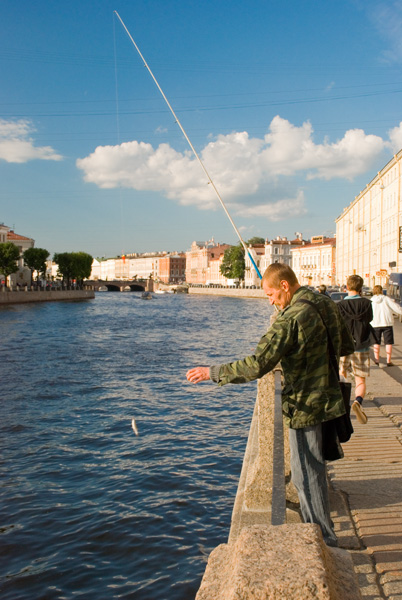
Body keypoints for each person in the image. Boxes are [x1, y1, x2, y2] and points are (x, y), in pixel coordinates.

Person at [186, 263, 354, 547]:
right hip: (328, 395)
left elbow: (257, 364)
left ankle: (324, 541)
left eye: (272, 294)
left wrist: (211, 372)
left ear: (285, 286)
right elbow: (346, 345)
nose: (270, 300)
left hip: (304, 402)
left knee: (306, 473)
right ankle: (322, 534)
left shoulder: (290, 318)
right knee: (313, 467)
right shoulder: (324, 302)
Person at [337, 275, 375, 425]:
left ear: (346, 287)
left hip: (345, 346)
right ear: (361, 288)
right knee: (360, 378)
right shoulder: (366, 303)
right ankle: (358, 402)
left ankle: (342, 405)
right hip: (362, 345)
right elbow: (369, 319)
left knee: (342, 374)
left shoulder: (340, 305)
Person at [371, 284, 402, 367]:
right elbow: (396, 308)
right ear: (381, 291)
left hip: (375, 324)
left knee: (376, 342)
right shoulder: (386, 299)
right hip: (387, 323)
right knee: (388, 342)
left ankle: (376, 360)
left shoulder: (371, 300)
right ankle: (388, 360)